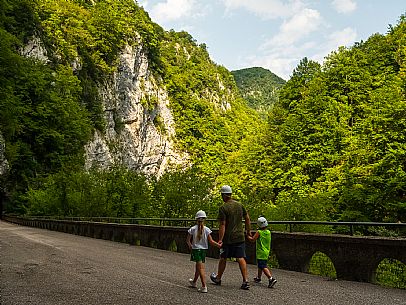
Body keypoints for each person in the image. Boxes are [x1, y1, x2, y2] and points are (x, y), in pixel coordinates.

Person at [210, 185, 251, 290]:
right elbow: (247, 219)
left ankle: (218, 278)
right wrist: (248, 231)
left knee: (223, 257)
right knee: (240, 257)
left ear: (223, 195)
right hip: (240, 236)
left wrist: (220, 239)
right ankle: (245, 281)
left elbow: (222, 225)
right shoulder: (240, 205)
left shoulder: (223, 208)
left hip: (228, 238)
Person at [187, 210, 220, 293]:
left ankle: (204, 286)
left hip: (196, 250)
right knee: (198, 267)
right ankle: (194, 282)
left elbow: (188, 240)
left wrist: (190, 246)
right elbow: (211, 241)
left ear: (196, 219)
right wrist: (219, 245)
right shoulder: (207, 230)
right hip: (203, 250)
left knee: (200, 268)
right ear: (204, 219)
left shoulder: (192, 229)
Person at [247, 216, 277, 288]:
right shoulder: (268, 232)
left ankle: (271, 278)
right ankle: (258, 278)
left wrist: (247, 236)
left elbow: (252, 240)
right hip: (266, 251)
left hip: (260, 252)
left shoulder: (259, 232)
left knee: (262, 266)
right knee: (260, 265)